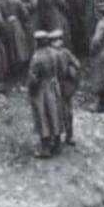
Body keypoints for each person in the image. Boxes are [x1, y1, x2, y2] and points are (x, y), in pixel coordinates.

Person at [26, 31, 64, 159]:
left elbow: (33, 77)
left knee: (42, 116)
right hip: (54, 85)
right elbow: (62, 69)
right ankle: (57, 143)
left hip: (41, 89)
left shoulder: (37, 57)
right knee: (56, 114)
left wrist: (30, 89)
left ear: (37, 42)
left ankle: (45, 148)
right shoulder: (54, 53)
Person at [51, 29, 81, 146]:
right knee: (68, 111)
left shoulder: (50, 53)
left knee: (55, 112)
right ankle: (70, 136)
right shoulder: (66, 52)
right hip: (66, 87)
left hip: (54, 87)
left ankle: (56, 139)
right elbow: (77, 64)